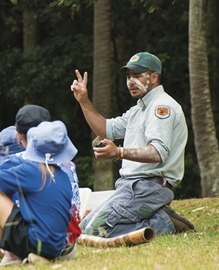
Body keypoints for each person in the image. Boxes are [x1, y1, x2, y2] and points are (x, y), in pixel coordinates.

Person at [70, 52, 195, 237]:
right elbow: (106, 129)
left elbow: (157, 153)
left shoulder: (162, 107)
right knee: (84, 228)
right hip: (129, 187)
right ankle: (159, 216)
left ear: (154, 77)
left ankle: (164, 222)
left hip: (149, 188)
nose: (130, 81)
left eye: (137, 76)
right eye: (128, 77)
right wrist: (84, 101)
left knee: (95, 231)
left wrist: (119, 152)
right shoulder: (138, 109)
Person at [0, 120, 77, 266]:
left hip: (35, 241)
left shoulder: (32, 170)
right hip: (56, 246)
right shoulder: (63, 176)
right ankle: (34, 256)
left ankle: (13, 253)